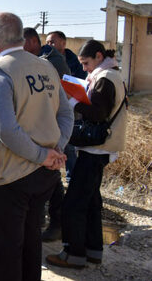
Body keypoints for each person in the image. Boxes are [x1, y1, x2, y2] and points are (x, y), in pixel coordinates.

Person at [0, 12, 73, 280]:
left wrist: (42, 154)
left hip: (9, 177)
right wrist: (54, 151)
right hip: (42, 175)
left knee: (6, 252)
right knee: (30, 243)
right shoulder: (45, 67)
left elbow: (5, 129)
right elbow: (66, 114)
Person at [46, 41, 127, 269]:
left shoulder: (105, 79)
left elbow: (99, 113)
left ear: (99, 56)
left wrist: (73, 101)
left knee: (74, 203)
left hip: (96, 148)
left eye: (86, 63)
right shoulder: (110, 75)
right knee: (91, 202)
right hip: (100, 148)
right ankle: (93, 251)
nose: (84, 69)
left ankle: (73, 254)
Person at [23, 26, 70, 242]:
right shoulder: (36, 61)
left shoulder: (50, 62)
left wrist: (58, 144)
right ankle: (44, 220)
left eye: (22, 45)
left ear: (32, 42)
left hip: (52, 131)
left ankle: (58, 223)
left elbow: (61, 108)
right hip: (42, 133)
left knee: (53, 181)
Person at [46, 30, 84, 184]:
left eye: (52, 42)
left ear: (63, 43)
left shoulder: (75, 62)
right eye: (47, 42)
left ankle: (72, 179)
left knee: (70, 148)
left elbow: (81, 85)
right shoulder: (46, 60)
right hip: (54, 111)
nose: (49, 45)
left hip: (72, 112)